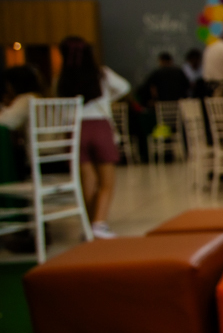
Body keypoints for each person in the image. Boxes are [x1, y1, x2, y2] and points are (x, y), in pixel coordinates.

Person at [56, 36, 131, 239]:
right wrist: (107, 98)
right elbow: (124, 87)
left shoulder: (61, 78)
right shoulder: (101, 73)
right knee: (107, 180)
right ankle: (100, 223)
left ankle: (89, 226)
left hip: (74, 130)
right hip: (99, 126)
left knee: (86, 180)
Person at [0, 65, 45, 130]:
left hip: (38, 137)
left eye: (8, 85)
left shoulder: (26, 99)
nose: (7, 89)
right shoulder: (35, 96)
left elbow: (6, 121)